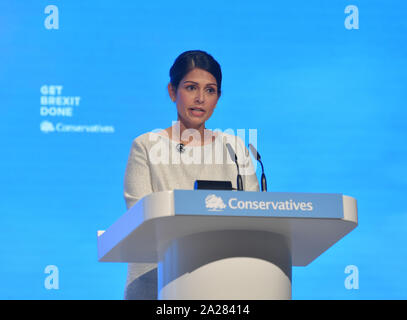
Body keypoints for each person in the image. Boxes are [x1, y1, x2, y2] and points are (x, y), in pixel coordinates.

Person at [123, 50, 260, 299]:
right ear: (172, 91)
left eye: (210, 90)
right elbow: (140, 217)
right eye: (191, 88)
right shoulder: (146, 146)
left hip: (222, 284)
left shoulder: (235, 148)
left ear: (218, 97)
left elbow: (255, 217)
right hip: (157, 282)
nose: (200, 98)